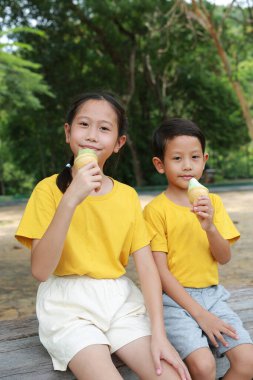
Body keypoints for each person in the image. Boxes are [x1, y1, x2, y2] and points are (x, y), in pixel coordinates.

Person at [15, 93, 191, 380]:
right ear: (68, 133)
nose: (92, 136)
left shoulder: (126, 196)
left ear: (119, 143)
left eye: (105, 128)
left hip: (119, 302)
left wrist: (159, 335)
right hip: (67, 307)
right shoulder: (47, 191)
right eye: (84, 124)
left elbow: (147, 269)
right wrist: (71, 198)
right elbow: (40, 270)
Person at [143, 118, 253, 380]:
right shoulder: (155, 211)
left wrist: (210, 227)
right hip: (173, 301)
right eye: (177, 158)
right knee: (204, 366)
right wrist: (200, 315)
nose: (187, 166)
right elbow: (160, 272)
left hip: (213, 296)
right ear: (160, 164)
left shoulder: (212, 202)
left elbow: (224, 258)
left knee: (247, 362)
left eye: (194, 157)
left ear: (204, 160)